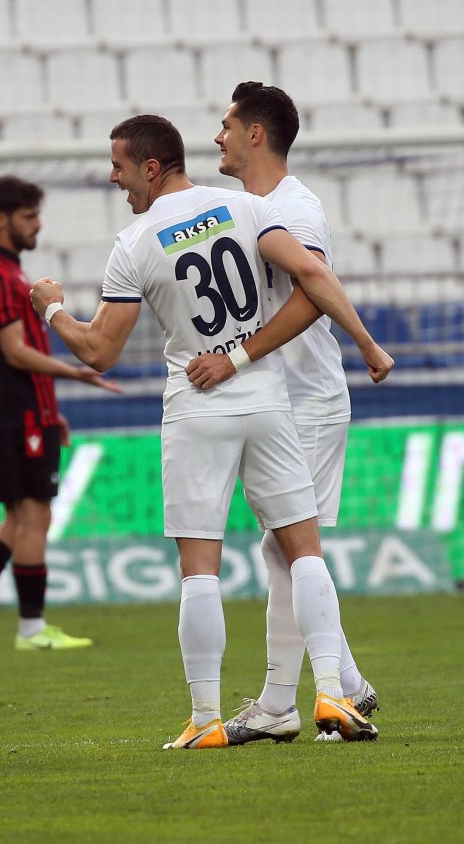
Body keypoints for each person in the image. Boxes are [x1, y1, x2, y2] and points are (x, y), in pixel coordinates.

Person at [30, 116, 394, 748]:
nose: (113, 178)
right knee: (303, 551)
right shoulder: (246, 208)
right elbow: (311, 276)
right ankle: (333, 693)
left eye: (119, 166)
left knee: (201, 569)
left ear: (150, 168)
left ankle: (205, 722)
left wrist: (52, 307)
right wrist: (364, 343)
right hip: (268, 402)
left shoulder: (137, 241)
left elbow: (98, 351)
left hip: (198, 408)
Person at [186, 82, 378, 744]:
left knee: (285, 548)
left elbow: (312, 292)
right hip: (270, 405)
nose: (217, 136)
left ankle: (283, 702)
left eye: (226, 124)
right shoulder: (240, 208)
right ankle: (345, 684)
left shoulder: (295, 207)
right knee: (287, 546)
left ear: (256, 135)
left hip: (309, 402)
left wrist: (237, 356)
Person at [0, 175, 122, 652]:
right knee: (35, 516)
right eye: (28, 216)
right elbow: (15, 353)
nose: (37, 224)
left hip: (23, 413)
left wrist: (50, 411)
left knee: (17, 520)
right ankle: (31, 629)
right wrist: (75, 373)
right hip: (17, 414)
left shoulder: (6, 273)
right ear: (1, 219)